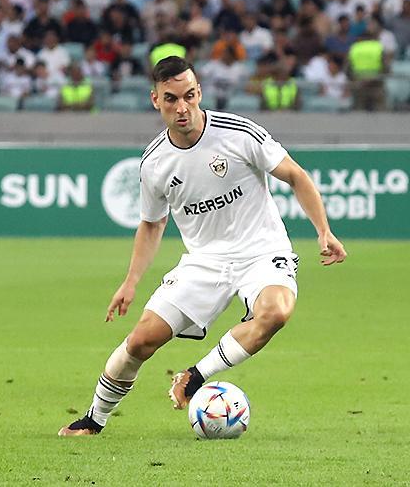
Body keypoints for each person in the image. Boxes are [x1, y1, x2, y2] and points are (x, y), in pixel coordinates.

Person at [59, 56, 346, 437]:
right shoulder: (155, 162)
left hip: (261, 252)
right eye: (171, 99)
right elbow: (152, 224)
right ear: (155, 100)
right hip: (204, 262)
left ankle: (195, 376)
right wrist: (130, 281)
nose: (182, 107)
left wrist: (324, 231)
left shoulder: (239, 133)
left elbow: (295, 175)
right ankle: (94, 419)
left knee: (276, 311)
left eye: (189, 96)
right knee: (142, 340)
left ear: (199, 93)